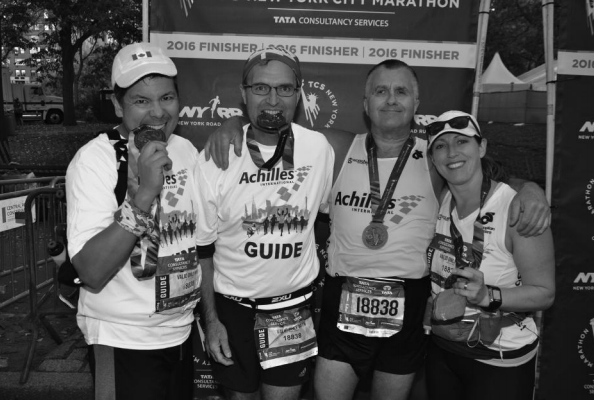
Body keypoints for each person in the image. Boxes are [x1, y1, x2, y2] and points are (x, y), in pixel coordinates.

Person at [204, 59, 550, 400]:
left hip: (410, 304)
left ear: (416, 103)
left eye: (401, 91)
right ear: (366, 103)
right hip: (343, 299)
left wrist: (530, 189)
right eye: (380, 91)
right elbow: (271, 123)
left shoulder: (434, 156)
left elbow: (480, 175)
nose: (391, 99)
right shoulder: (334, 147)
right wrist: (233, 122)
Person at [195, 47, 334, 400]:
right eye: (260, 88)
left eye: (285, 89)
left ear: (299, 94)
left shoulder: (319, 148)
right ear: (243, 94)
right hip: (232, 311)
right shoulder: (215, 158)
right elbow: (203, 249)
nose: (273, 99)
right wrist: (211, 321)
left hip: (291, 309)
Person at [65, 42, 202, 400]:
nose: (158, 113)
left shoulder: (186, 150)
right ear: (117, 104)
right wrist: (141, 196)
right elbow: (91, 271)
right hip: (122, 337)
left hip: (179, 332)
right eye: (141, 101)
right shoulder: (94, 160)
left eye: (167, 98)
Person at [424, 110, 555, 400]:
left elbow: (545, 294)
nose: (452, 153)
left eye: (462, 142)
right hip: (443, 349)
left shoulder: (517, 208)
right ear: (433, 159)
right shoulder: (440, 199)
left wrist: (487, 296)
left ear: (481, 147)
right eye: (441, 146)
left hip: (500, 357)